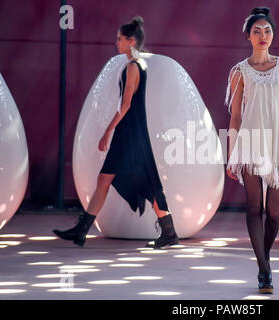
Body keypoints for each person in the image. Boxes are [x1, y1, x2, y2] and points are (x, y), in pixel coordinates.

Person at [53, 16, 179, 248]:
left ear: (131, 41)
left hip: (130, 134)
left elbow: (126, 105)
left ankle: (169, 231)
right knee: (108, 179)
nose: (116, 43)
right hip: (130, 133)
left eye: (119, 39)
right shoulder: (135, 65)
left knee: (146, 182)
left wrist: (107, 131)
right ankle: (81, 231)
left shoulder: (133, 66)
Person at [225, 7, 279, 294]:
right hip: (251, 143)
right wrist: (232, 154)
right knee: (254, 208)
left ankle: (263, 259)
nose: (263, 35)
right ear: (248, 36)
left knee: (274, 213)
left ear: (273, 34)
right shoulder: (240, 71)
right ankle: (265, 271)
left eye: (267, 30)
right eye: (256, 31)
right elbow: (234, 116)